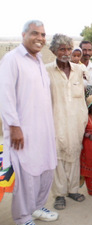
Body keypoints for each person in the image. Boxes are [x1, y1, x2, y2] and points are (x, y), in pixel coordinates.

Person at [0, 20, 58, 225]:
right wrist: (14, 127)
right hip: (23, 131)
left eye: (43, 35)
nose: (40, 38)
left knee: (46, 169)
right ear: (23, 34)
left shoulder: (39, 60)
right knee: (27, 174)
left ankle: (35, 207)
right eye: (35, 33)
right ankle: (22, 217)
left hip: (44, 130)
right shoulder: (12, 59)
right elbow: (5, 96)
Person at [46, 34, 88, 210]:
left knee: (74, 154)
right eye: (62, 49)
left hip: (77, 121)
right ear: (54, 51)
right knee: (58, 157)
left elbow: (83, 96)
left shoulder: (78, 70)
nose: (66, 52)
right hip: (56, 120)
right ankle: (59, 194)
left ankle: (73, 189)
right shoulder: (46, 70)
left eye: (69, 49)